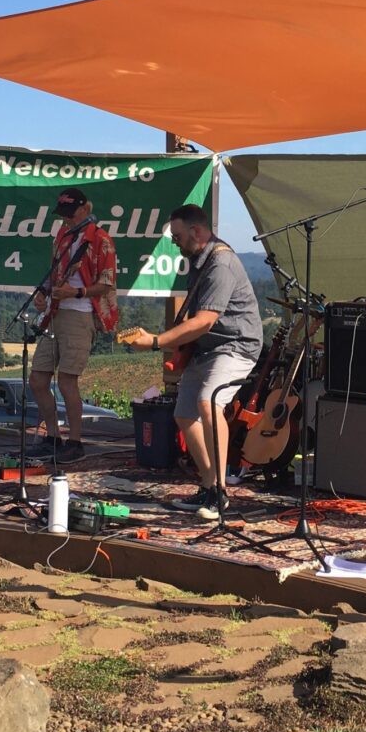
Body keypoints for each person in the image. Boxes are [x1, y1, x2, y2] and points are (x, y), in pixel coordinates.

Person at [126, 203, 261, 520]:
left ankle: (222, 493)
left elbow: (204, 321)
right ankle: (210, 485)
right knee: (184, 414)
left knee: (208, 403)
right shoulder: (201, 261)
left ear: (197, 231)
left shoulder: (221, 264)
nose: (174, 242)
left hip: (236, 345)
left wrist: (157, 341)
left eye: (177, 236)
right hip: (207, 349)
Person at [28, 186, 119, 462]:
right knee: (38, 379)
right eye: (63, 215)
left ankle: (75, 442)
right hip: (56, 312)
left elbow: (107, 283)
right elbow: (53, 272)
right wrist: (43, 294)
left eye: (70, 214)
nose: (66, 219)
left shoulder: (101, 240)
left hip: (80, 314)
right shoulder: (62, 236)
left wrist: (75, 293)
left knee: (67, 380)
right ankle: (53, 436)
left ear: (85, 209)